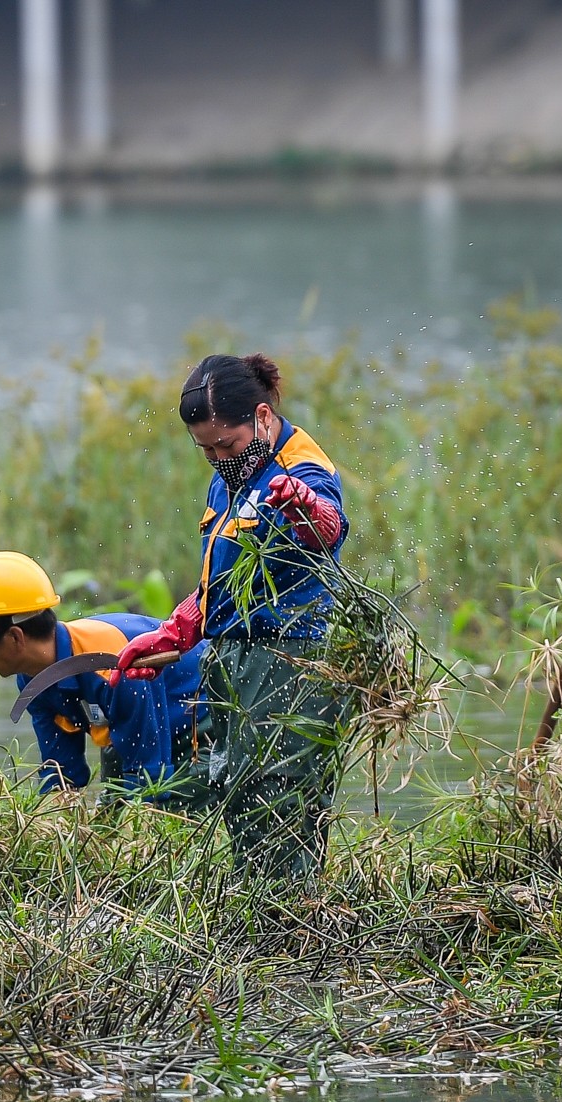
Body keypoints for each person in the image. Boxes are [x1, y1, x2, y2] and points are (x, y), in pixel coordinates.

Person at [113, 354, 350, 879]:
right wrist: (174, 630)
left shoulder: (302, 467)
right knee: (240, 793)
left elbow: (328, 533)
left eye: (228, 443)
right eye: (208, 449)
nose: (220, 457)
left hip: (295, 661)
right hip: (235, 661)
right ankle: (253, 926)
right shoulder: (230, 473)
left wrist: (306, 505)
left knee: (282, 802)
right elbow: (220, 576)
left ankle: (288, 930)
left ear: (262, 418)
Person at [0, 551, 207, 799]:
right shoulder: (33, 680)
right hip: (130, 731)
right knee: (109, 818)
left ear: (15, 637)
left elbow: (150, 780)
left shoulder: (110, 666)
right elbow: (60, 776)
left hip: (202, 720)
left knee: (169, 811)